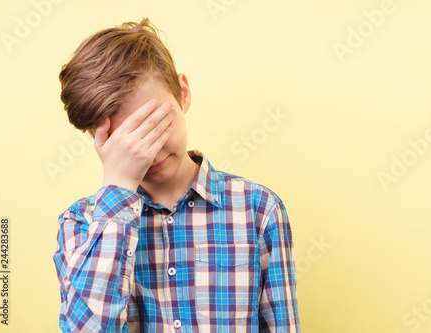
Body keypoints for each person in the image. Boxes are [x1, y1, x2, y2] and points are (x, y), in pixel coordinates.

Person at [53, 17, 300, 332]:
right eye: (126, 141)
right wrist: (119, 186)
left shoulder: (259, 209)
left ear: (182, 93)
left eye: (155, 125)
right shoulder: (81, 225)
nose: (149, 152)